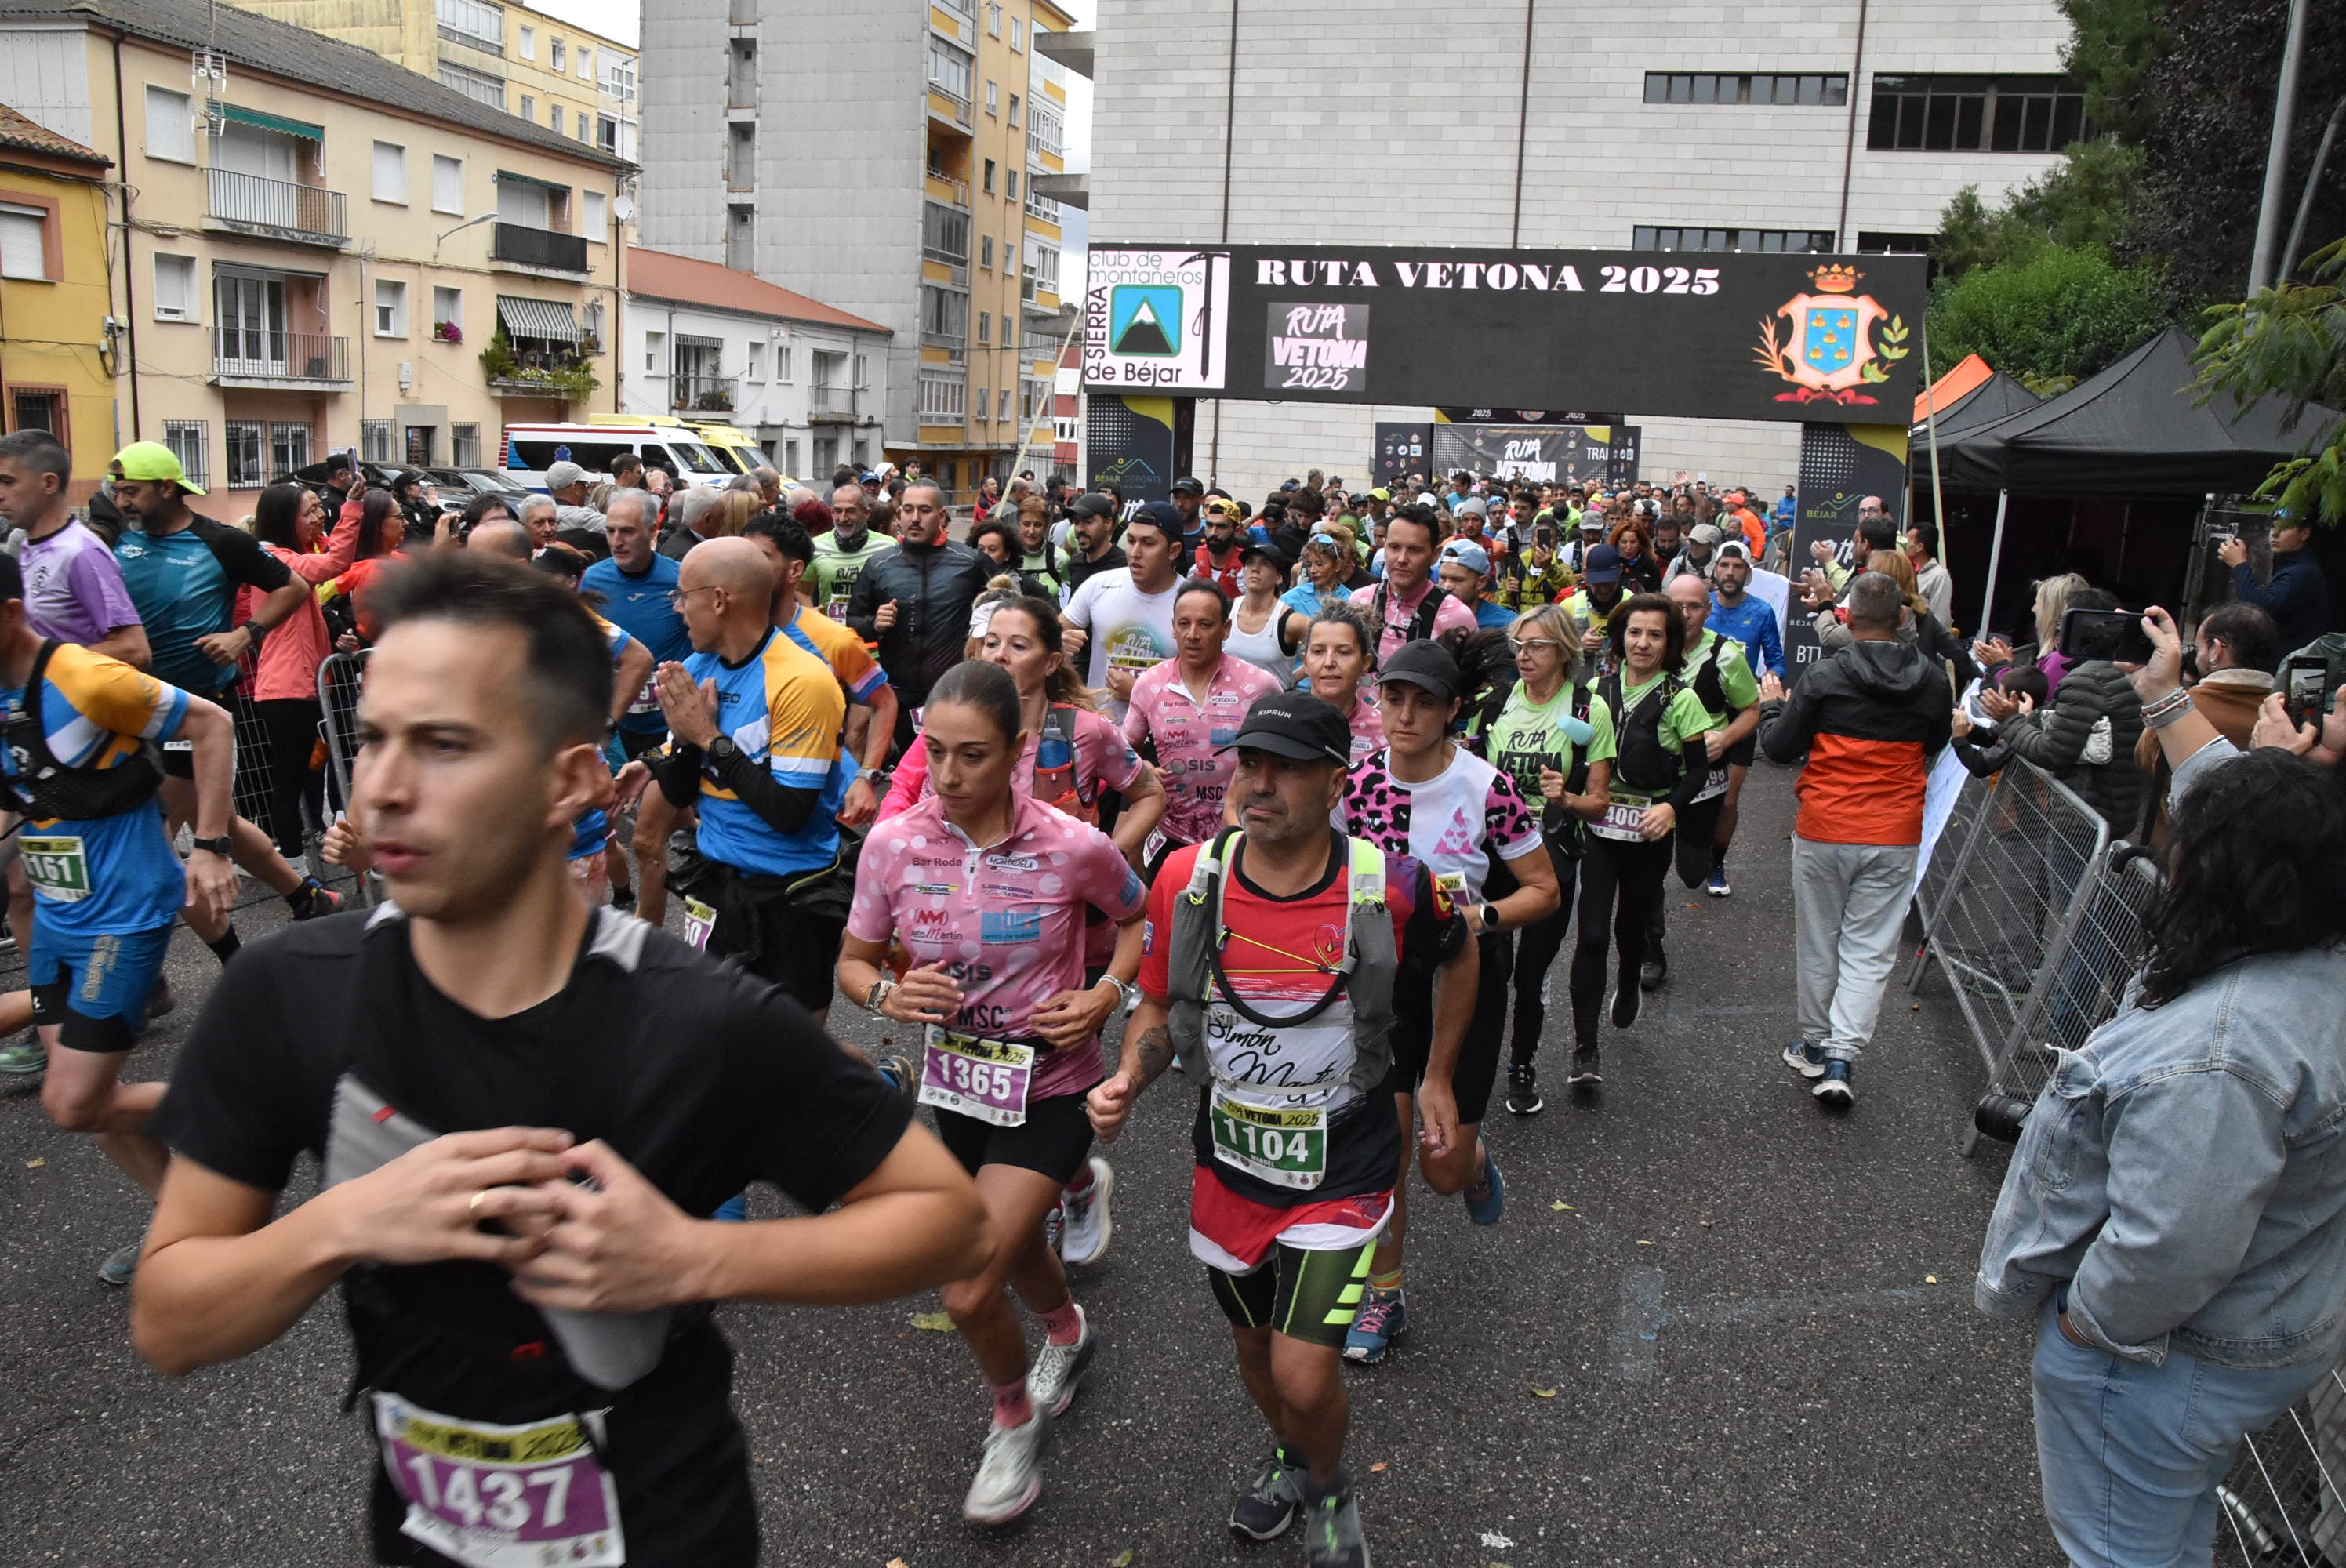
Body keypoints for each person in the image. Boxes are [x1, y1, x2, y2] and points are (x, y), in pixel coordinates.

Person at [134, 548, 987, 1567]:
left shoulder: (700, 1018)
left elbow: (948, 1219)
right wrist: (346, 1221)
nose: (383, 791)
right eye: (376, 741)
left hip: (674, 1530)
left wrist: (695, 1257)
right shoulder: (287, 992)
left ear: (568, 782)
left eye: (446, 746)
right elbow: (171, 1321)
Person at [1977, 603, 2346, 1568]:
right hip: (2265, 1329)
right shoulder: (2310, 948)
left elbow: (2170, 1242)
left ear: (2216, 873)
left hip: (2160, 1362)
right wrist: (2174, 690)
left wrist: (2085, 1323)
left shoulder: (2222, 1052)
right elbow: (2255, 819)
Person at [1087, 689, 1473, 1568]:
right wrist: (1126, 1079)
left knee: (1305, 1368)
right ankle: (1294, 1457)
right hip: (1230, 1162)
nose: (1258, 784)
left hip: (1347, 1160)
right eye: (1249, 763)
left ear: (1335, 782)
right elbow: (1158, 1004)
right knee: (1256, 1350)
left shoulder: (1389, 884)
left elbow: (1463, 954)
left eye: (1285, 768)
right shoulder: (1190, 878)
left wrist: (1441, 1075)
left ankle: (1332, 1488)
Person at [838, 659, 1145, 1525]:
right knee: (1008, 1245)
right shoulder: (894, 845)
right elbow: (853, 963)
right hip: (958, 1085)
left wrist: (1105, 996)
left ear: (1015, 750)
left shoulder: (1071, 842)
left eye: (972, 755)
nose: (947, 774)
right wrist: (886, 996)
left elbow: (1136, 919)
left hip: (1051, 1084)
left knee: (968, 1284)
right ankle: (1067, 1331)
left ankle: (1014, 1422)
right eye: (933, 751)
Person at [0, 545, 238, 1284]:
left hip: (125, 915)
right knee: (91, 1102)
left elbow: (212, 725)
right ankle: (186, 1223)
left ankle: (262, 1101)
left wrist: (210, 845)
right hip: (59, 917)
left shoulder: (86, 678)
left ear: (10, 615)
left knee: (72, 1103)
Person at [1338, 640, 1556, 1363]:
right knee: (1388, 1153)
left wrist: (1480, 917)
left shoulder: (1485, 786)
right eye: (1393, 698)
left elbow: (1543, 890)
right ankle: (1385, 1296)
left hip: (1468, 975)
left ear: (1452, 710)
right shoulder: (1359, 784)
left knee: (1442, 1169)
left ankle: (1475, 1160)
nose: (1402, 715)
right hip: (1386, 984)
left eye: (1422, 702)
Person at [109, 441, 340, 940]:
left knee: (151, 841)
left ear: (166, 488)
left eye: (131, 491)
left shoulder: (219, 542)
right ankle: (308, 898)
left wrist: (245, 636)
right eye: (118, 491)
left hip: (194, 709)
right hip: (130, 703)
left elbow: (294, 588)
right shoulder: (118, 540)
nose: (122, 501)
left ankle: (161, 969)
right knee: (221, 824)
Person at [616, 539, 853, 1021]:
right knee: (722, 1041)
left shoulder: (802, 680)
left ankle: (882, 1085)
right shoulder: (698, 668)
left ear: (720, 600)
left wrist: (707, 737)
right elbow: (682, 792)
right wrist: (673, 750)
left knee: (793, 1059)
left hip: (792, 894)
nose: (678, 608)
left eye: (684, 596)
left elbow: (789, 813)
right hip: (718, 885)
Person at [1756, 571, 1953, 1105]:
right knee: (1871, 949)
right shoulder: (1933, 679)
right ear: (1903, 618)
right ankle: (1842, 1055)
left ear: (1846, 616)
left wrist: (1773, 705)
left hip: (1825, 825)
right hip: (1894, 830)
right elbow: (1937, 740)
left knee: (1820, 940)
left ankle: (1816, 1045)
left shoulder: (1824, 675)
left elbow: (1777, 748)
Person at [1566, 593, 1712, 1088]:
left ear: (1669, 642)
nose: (1642, 643)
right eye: (1634, 632)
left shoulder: (1682, 698)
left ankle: (1629, 981)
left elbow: (1699, 770)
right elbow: (1577, 753)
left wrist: (1671, 807)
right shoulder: (1594, 688)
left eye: (1654, 634)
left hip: (1649, 829)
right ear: (1619, 637)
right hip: (1601, 829)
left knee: (1631, 930)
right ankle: (1585, 1050)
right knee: (1590, 935)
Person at [1480, 601, 1614, 1116]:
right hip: (1495, 853)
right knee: (1491, 963)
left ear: (1564, 651)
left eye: (1535, 645)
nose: (1524, 655)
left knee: (1531, 972)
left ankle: (1521, 1064)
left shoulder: (1586, 710)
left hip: (1553, 852)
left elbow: (1599, 803)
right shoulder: (1498, 703)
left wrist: (1565, 798)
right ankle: (1477, 1058)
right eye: (1518, 645)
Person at [739, 511, 897, 825]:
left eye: (760, 557)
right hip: (739, 801)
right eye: (742, 557)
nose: (746, 567)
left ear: (795, 570)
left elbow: (885, 702)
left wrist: (866, 777)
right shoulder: (725, 632)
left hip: (815, 806)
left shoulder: (832, 639)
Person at [1640, 575, 1760, 983]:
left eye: (1693, 607)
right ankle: (1650, 950)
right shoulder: (1647, 648)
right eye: (1676, 606)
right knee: (1647, 867)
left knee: (1691, 872)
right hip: (1651, 779)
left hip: (1702, 779)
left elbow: (1752, 709)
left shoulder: (1725, 655)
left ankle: (1710, 859)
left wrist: (1724, 738)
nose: (1685, 615)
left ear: (1708, 610)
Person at [242, 482, 362, 875]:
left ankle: (308, 857)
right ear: (283, 518)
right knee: (288, 781)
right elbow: (332, 565)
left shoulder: (290, 554)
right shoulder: (271, 557)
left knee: (310, 778)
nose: (317, 517)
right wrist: (353, 507)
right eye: (308, 512)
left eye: (316, 510)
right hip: (285, 689)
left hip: (306, 684)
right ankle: (294, 869)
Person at [1124, 579, 1285, 866]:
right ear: (1173, 627)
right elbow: (1123, 751)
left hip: (1241, 835)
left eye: (1205, 625)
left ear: (1226, 629)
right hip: (1171, 834)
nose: (1192, 635)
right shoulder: (1150, 685)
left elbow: (1284, 755)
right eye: (1184, 624)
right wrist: (1142, 768)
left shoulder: (1259, 685)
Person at [844, 481, 992, 749]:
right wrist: (874, 624)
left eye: (924, 510)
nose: (915, 518)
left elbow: (1012, 599)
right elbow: (853, 621)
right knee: (904, 773)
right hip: (898, 694)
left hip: (953, 693)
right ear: (898, 516)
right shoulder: (880, 565)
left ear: (942, 516)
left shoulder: (970, 561)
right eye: (908, 510)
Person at [1997, 586, 2149, 835]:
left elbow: (2051, 752)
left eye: (2065, 621)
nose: (2060, 629)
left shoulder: (2085, 680)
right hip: (2115, 811)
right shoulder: (2131, 672)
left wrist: (2010, 721)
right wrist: (2030, 717)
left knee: (2064, 874)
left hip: (2081, 819)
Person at [2129, 601, 2277, 838]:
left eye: (2198, 648)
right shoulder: (2281, 712)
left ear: (2217, 650)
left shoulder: (2185, 706)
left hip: (2182, 839)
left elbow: (2146, 758)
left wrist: (2166, 694)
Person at [0, 430, 147, 666]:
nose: (0, 494)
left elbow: (133, 650)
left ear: (48, 483)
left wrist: (43, 666)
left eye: (8, 482)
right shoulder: (28, 545)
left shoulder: (81, 552)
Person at [1062, 503, 1182, 722]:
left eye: (1148, 543)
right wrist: (1058, 640)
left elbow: (1205, 685)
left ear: (1173, 550)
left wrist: (1140, 693)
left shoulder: (1189, 600)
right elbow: (1048, 638)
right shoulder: (1100, 585)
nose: (1135, 553)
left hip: (1165, 733)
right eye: (1131, 541)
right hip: (1101, 729)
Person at [1367, 506, 1474, 662]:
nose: (1402, 559)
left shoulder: (1456, 617)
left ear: (1434, 555)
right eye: (1394, 547)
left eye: (1415, 550)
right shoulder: (1361, 601)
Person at [2221, 510, 2333, 655]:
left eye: (2284, 528)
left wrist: (2240, 565)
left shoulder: (2301, 571)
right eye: (2273, 527)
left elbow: (2260, 609)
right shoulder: (2291, 565)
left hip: (2290, 662)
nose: (2274, 534)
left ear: (2304, 534)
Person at [1301, 604, 1385, 766]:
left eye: (1343, 652)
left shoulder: (1385, 731)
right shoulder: (1284, 721)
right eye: (1318, 651)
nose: (1329, 662)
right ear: (1305, 662)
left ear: (1365, 664)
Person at [811, 481, 895, 622]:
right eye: (837, 511)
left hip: (871, 639)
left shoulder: (888, 546)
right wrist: (810, 612)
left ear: (866, 513)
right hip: (831, 638)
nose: (843, 518)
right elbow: (800, 590)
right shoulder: (816, 546)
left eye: (850, 511)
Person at [1226, 542, 1306, 685]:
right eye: (1250, 563)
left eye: (1265, 564)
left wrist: (1290, 680)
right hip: (1227, 703)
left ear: (1278, 577)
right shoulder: (1225, 610)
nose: (1255, 569)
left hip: (1274, 704)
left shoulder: (1291, 622)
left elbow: (1323, 648)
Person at [1564, 542, 1631, 675]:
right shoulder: (1568, 606)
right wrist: (1579, 645)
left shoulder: (1634, 604)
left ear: (1620, 571)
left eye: (1609, 582)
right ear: (1585, 574)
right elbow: (1552, 653)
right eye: (1598, 583)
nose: (1604, 589)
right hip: (1581, 690)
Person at [1060, 492, 1127, 600]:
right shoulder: (1075, 564)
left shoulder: (1125, 566)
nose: (1080, 529)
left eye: (1088, 522)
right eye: (1076, 522)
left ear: (1108, 523)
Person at [1437, 542, 1516, 630]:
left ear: (1481, 582)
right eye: (1442, 578)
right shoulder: (1426, 617)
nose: (1447, 586)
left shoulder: (1508, 625)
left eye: (1457, 580)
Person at [1283, 532, 1355, 619]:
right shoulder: (1291, 599)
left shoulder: (1351, 601)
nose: (1313, 570)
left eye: (1320, 564)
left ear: (1338, 565)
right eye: (1309, 565)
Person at [1011, 496, 1066, 598]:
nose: (1031, 531)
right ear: (1019, 525)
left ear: (1046, 526)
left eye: (1038, 525)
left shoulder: (1059, 558)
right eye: (1026, 524)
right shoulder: (1007, 555)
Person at [1193, 497, 1247, 596]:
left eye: (1221, 526)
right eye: (1209, 525)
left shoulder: (1247, 566)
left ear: (1237, 531)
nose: (1213, 533)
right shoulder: (1192, 560)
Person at [1905, 521, 1955, 628]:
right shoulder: (1905, 571)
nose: (1904, 546)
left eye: (1907, 542)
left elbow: (1940, 619)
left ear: (1919, 547)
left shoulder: (1939, 576)